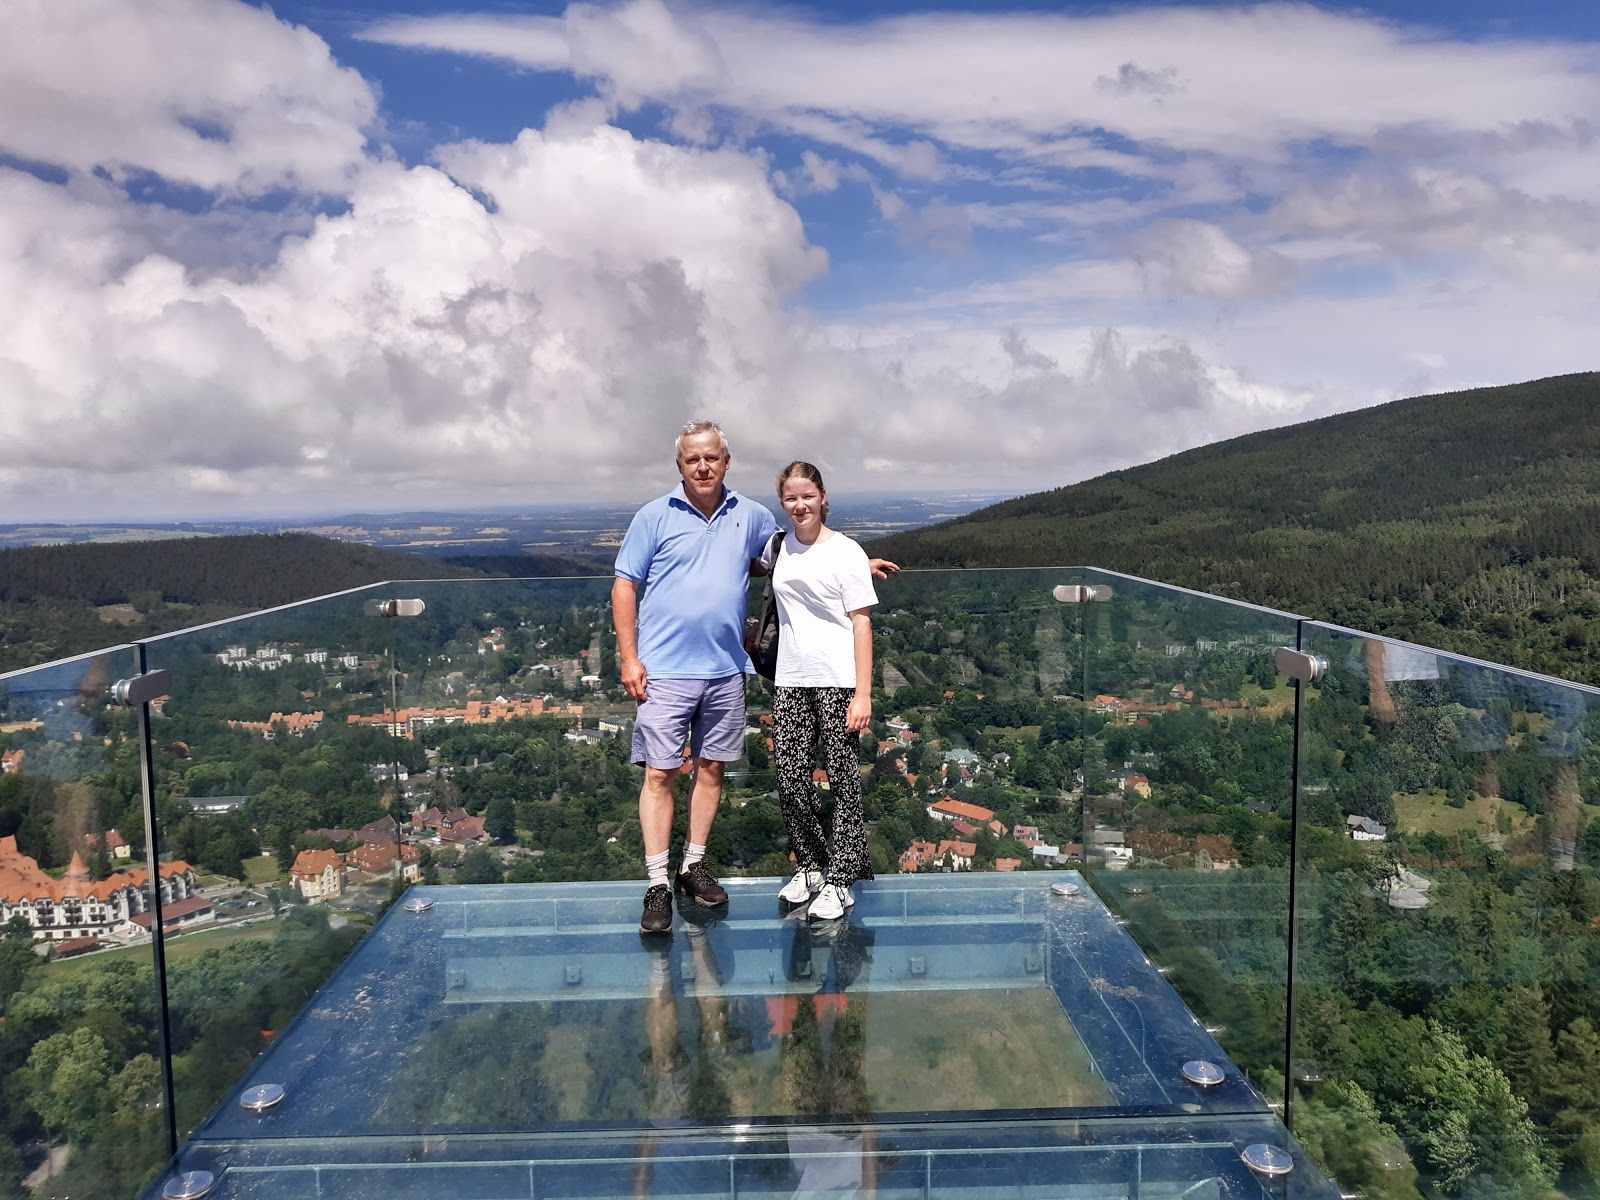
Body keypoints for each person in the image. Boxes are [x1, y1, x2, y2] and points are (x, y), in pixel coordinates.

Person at [614, 420, 780, 935]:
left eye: (712, 457)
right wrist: (629, 657)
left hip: (727, 669)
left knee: (711, 771)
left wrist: (855, 564)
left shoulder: (751, 515)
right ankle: (657, 883)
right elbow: (625, 586)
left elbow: (797, 554)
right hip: (663, 671)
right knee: (659, 775)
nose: (703, 466)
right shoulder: (653, 516)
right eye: (693, 459)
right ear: (680, 465)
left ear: (727, 461)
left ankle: (693, 867)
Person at [767, 462, 878, 920]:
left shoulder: (848, 551)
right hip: (790, 677)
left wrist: (864, 694)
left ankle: (841, 879)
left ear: (823, 497)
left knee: (842, 781)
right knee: (791, 779)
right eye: (791, 498)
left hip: (837, 681)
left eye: (807, 496)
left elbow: (862, 623)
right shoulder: (780, 546)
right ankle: (812, 865)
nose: (799, 505)